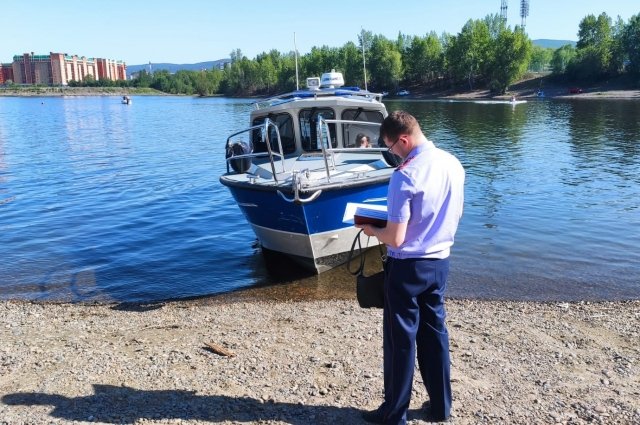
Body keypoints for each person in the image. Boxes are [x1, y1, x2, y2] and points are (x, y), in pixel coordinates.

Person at [355, 110, 465, 424]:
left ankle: (394, 413)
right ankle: (441, 406)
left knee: (400, 341)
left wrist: (373, 230)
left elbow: (397, 238)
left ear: (404, 140)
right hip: (440, 261)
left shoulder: (405, 175)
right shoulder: (452, 163)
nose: (391, 154)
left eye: (391, 148)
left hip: (407, 268)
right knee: (434, 334)